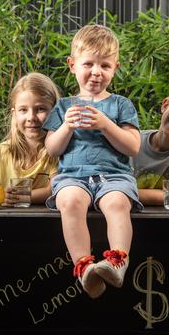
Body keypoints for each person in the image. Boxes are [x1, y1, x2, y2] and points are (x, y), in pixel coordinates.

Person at [43, 24, 141, 299]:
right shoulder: (63, 106)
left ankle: (117, 262)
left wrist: (107, 124)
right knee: (70, 201)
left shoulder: (121, 105)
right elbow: (52, 148)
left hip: (114, 176)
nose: (97, 72)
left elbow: (133, 146)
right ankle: (85, 267)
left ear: (115, 68)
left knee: (117, 202)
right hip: (73, 176)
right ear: (72, 65)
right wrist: (66, 127)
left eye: (105, 66)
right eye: (89, 64)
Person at [0, 73, 60, 205]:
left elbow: (54, 190)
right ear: (14, 114)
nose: (31, 117)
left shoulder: (59, 152)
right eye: (23, 110)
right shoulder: (1, 153)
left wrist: (23, 197)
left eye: (40, 109)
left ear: (55, 111)